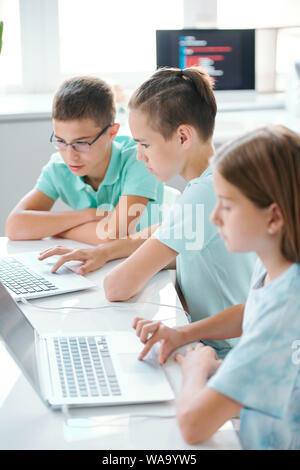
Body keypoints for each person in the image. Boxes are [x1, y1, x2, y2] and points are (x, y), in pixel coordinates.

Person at [133, 125, 300, 450]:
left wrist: (198, 367)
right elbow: (250, 310)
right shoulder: (278, 263)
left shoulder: (283, 313)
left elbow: (194, 426)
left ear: (273, 218)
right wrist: (182, 334)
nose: (214, 218)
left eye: (227, 205)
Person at [5, 76, 164, 246]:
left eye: (81, 143)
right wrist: (89, 214)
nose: (70, 155)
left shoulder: (139, 157)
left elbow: (113, 235)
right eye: (60, 141)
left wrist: (55, 229)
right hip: (93, 261)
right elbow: (15, 227)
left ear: (112, 133)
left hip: (146, 265)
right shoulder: (59, 166)